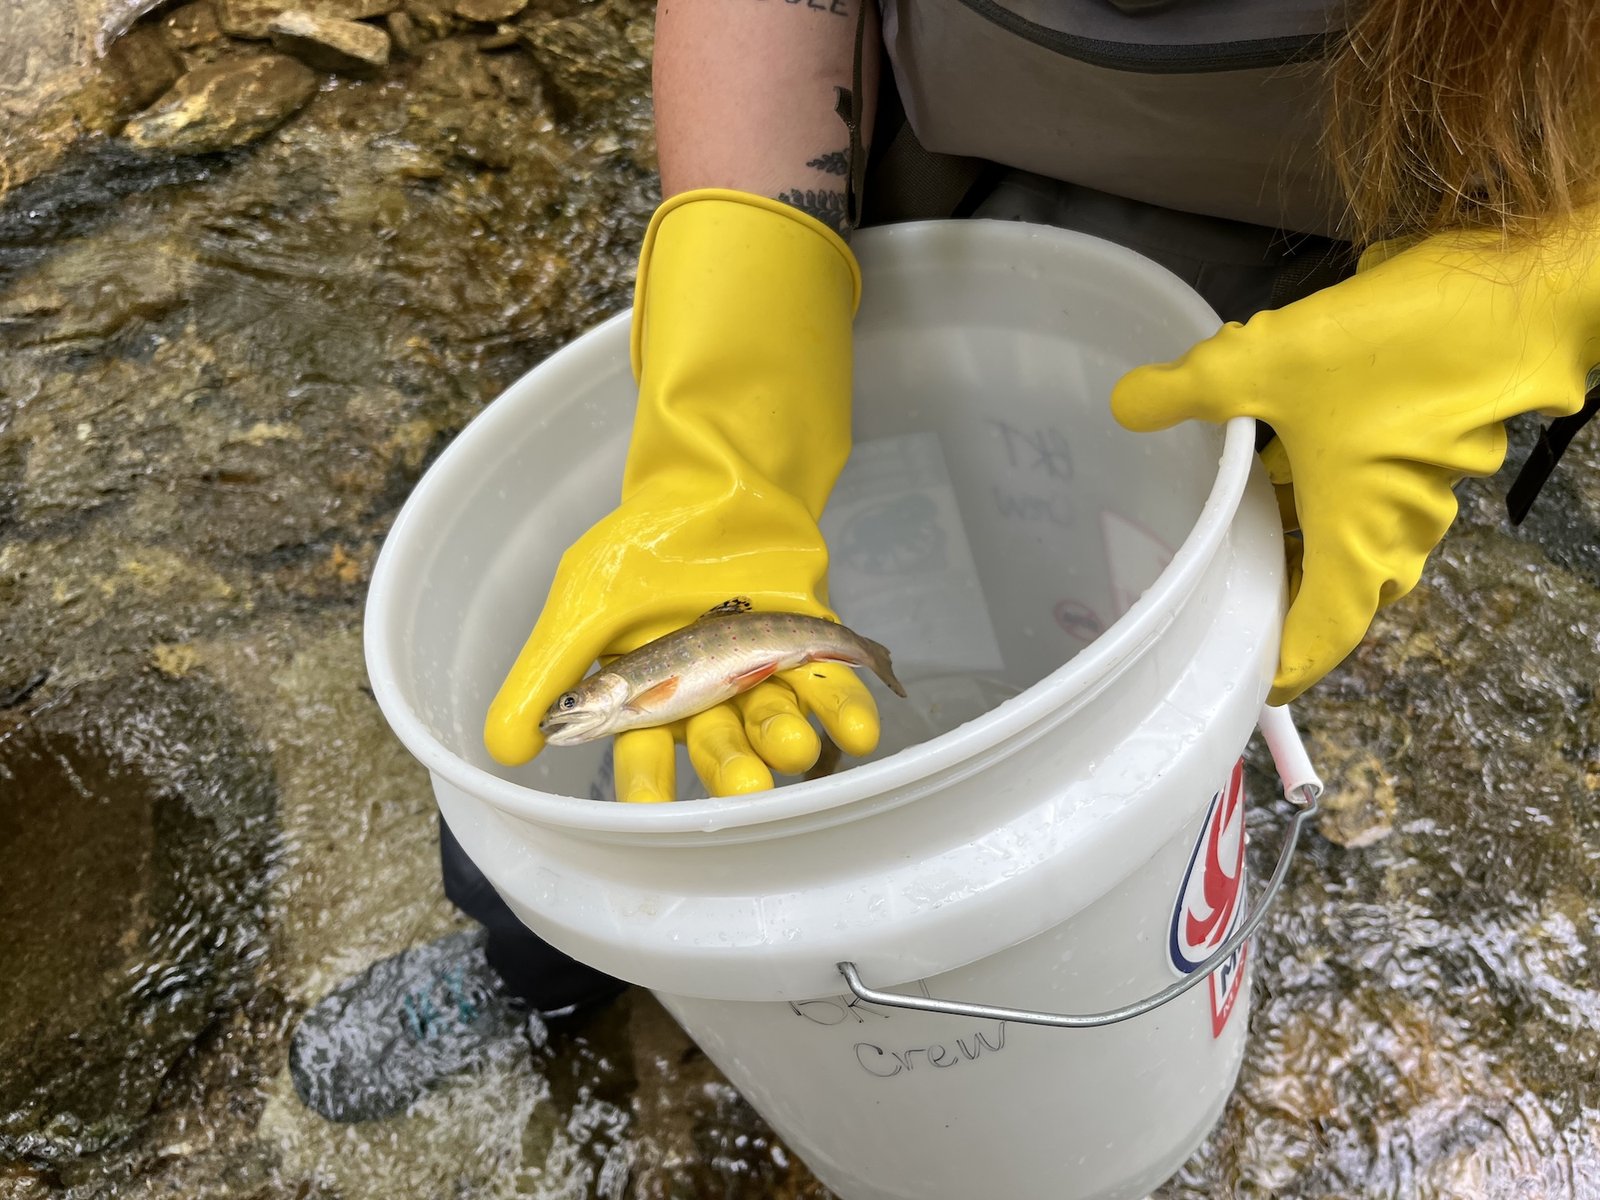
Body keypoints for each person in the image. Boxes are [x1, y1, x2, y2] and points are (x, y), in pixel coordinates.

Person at [291, 0, 1600, 1121]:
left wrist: (1549, 289)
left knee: (1132, 703)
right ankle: (537, 964)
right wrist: (742, 289)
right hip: (896, 219)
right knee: (690, 700)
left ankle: (1096, 956)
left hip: (1319, 297)